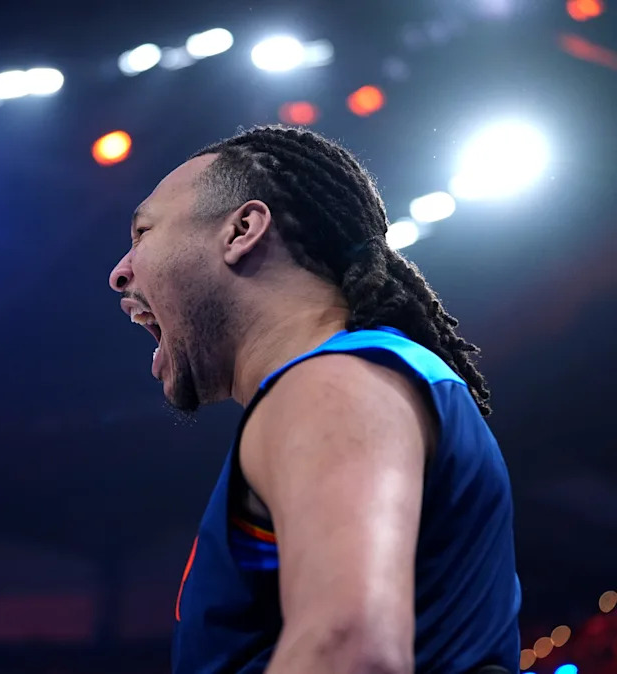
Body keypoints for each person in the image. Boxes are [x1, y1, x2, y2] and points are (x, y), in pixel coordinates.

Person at [108, 126, 520, 674]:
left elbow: (347, 649)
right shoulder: (359, 378)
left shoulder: (333, 382)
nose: (120, 272)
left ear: (242, 230)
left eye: (143, 232)